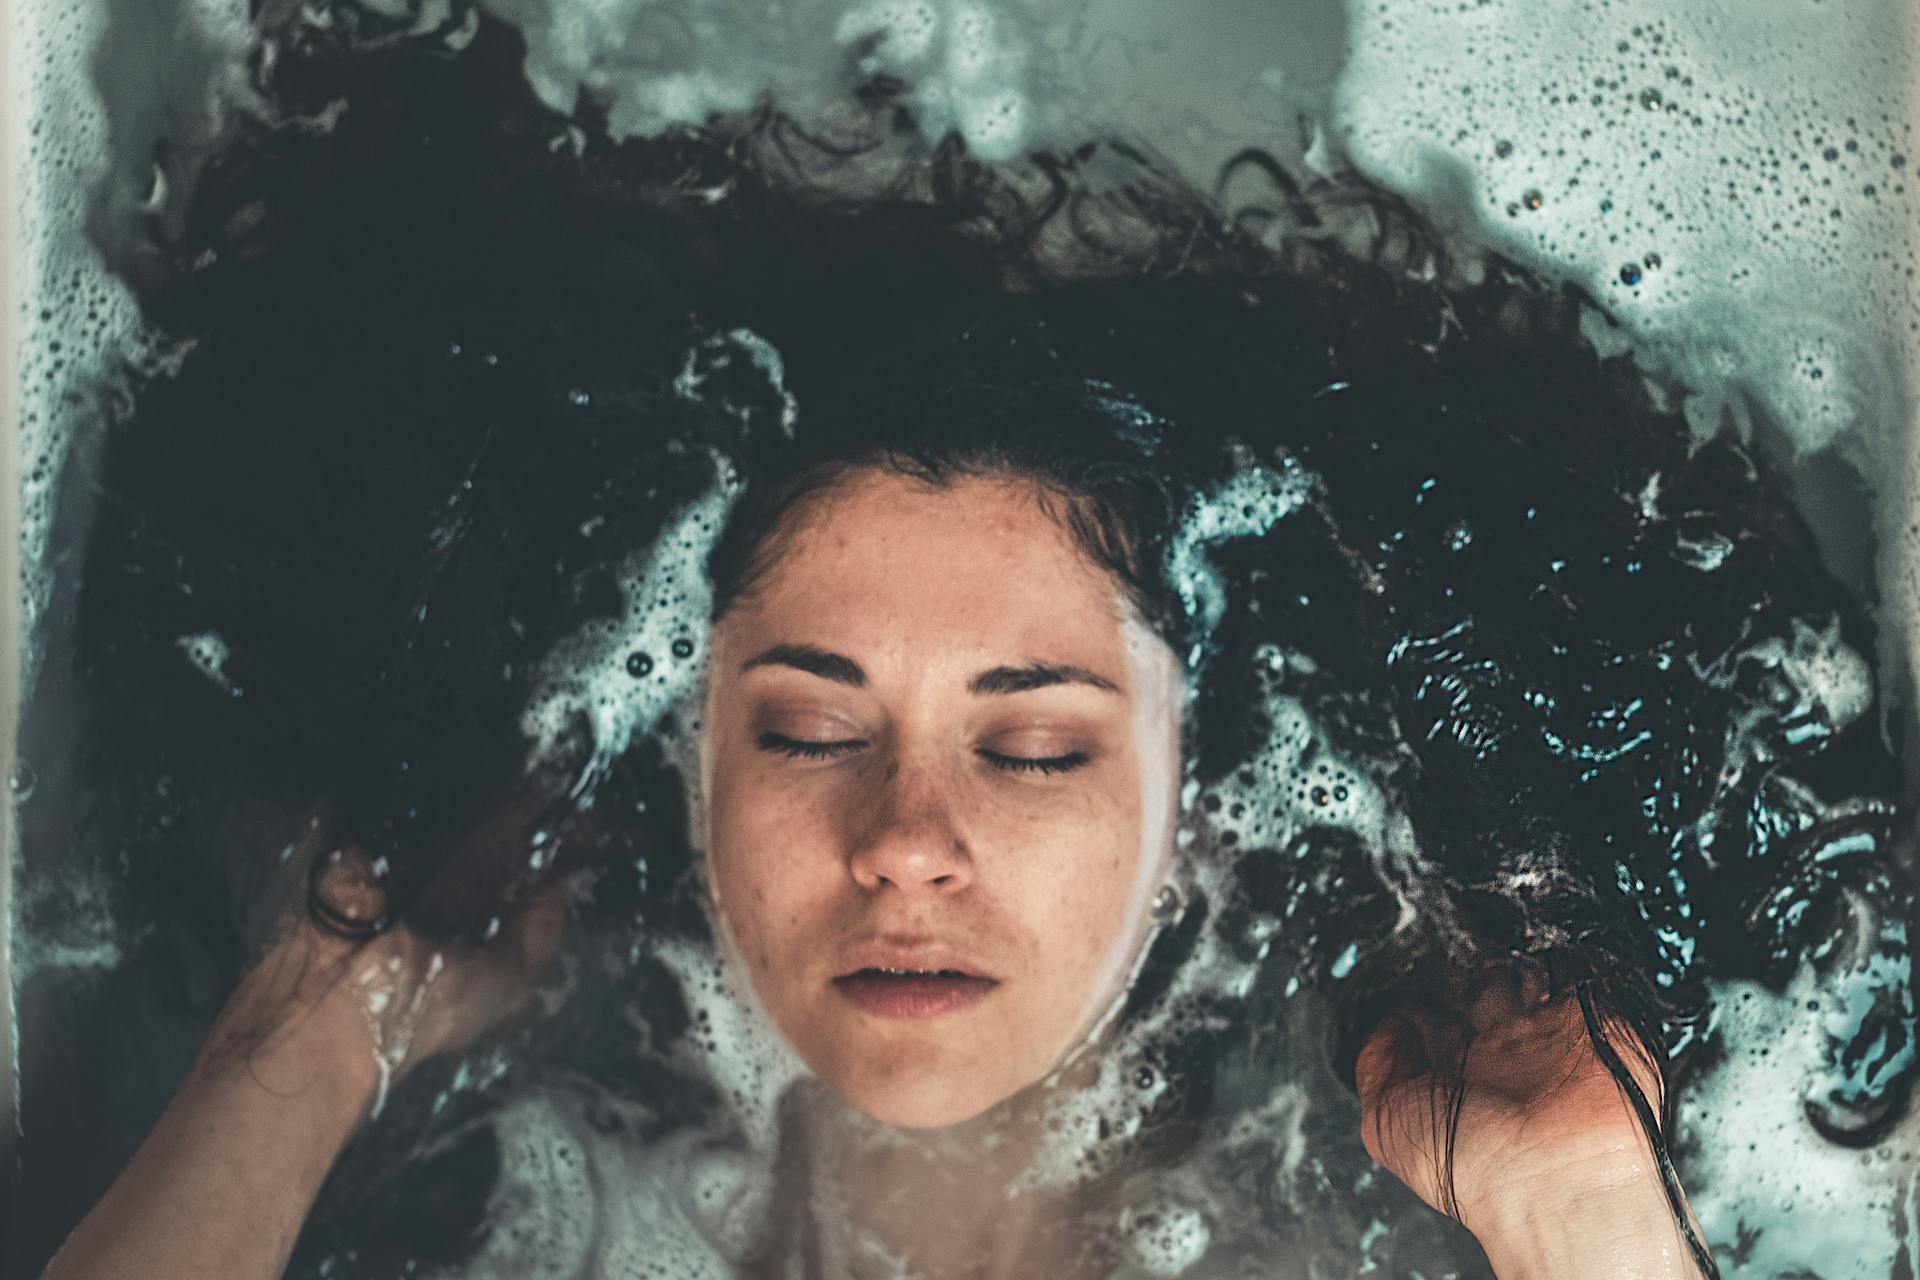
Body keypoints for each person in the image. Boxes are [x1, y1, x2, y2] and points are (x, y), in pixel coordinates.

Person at [47, 6, 1909, 1276]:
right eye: (800, 730)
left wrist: (1577, 1198)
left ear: (1206, 809)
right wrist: (306, 1035)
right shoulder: (491, 1174)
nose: (904, 839)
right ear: (678, 764)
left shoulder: (1357, 1229)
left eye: (1032, 744)